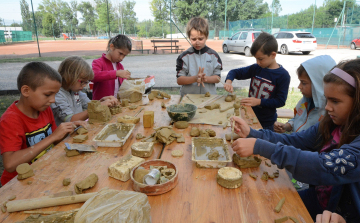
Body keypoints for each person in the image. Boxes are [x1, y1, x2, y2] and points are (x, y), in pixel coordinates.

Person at [230, 59, 360, 222]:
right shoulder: (331, 124)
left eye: (335, 101)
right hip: (318, 198)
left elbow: (321, 167)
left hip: (340, 214)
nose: (327, 107)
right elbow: (294, 140)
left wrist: (260, 147)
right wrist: (252, 133)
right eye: (326, 99)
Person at [0, 62, 83, 185]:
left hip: (43, 173)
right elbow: (10, 164)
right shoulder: (11, 120)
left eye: (55, 94)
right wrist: (53, 136)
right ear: (26, 91)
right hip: (18, 184)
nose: (53, 100)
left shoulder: (44, 109)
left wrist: (69, 128)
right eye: (48, 95)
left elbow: (56, 140)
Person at [224, 32, 290, 131]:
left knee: (261, 145)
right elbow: (235, 72)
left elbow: (280, 101)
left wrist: (258, 101)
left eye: (260, 59)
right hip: (249, 116)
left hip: (267, 122)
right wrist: (229, 81)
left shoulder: (283, 75)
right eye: (256, 59)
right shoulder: (256, 68)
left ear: (273, 55)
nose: (258, 62)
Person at [274, 55, 336, 133]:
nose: (299, 86)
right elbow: (296, 119)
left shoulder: (328, 113)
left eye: (303, 83)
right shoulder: (304, 101)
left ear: (318, 83)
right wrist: (288, 126)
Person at [51, 56, 118, 126]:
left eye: (87, 82)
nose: (84, 86)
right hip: (66, 136)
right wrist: (98, 107)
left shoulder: (76, 91)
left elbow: (89, 106)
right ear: (69, 77)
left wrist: (101, 101)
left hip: (76, 131)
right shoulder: (57, 96)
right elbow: (71, 120)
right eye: (82, 82)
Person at [176, 17, 223, 97]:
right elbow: (179, 80)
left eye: (200, 39)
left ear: (207, 36)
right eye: (193, 39)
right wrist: (195, 78)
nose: (197, 42)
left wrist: (205, 79)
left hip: (209, 98)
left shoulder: (214, 56)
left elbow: (217, 78)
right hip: (188, 98)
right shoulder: (184, 57)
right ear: (189, 37)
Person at [92, 34, 132, 100]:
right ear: (112, 47)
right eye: (120, 53)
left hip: (116, 104)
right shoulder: (98, 62)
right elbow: (94, 76)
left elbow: (123, 85)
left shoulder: (120, 66)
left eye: (124, 55)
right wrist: (116, 73)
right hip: (101, 105)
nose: (122, 58)